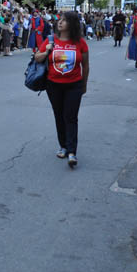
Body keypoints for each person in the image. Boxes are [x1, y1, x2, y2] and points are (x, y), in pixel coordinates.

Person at [34, 11, 89, 168]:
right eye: (60, 20)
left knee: (71, 117)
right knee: (59, 116)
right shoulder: (51, 40)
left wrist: (84, 85)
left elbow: (85, 65)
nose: (60, 22)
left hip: (74, 85)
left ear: (72, 24)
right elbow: (37, 57)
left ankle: (72, 151)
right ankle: (63, 146)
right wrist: (47, 51)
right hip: (54, 85)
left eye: (64, 21)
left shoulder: (80, 43)